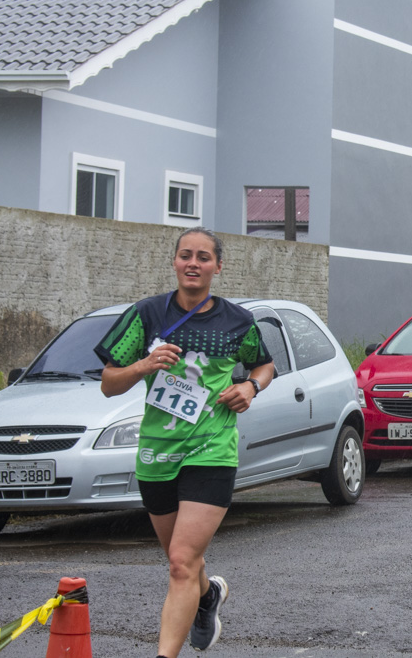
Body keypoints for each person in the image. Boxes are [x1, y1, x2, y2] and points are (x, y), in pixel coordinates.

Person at [94, 227, 274, 658]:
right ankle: (207, 594)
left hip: (212, 449)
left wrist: (249, 387)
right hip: (157, 452)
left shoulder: (237, 321)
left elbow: (264, 365)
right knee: (185, 563)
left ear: (217, 265)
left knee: (179, 563)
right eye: (185, 255)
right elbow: (108, 385)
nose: (193, 263)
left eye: (204, 257)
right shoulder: (146, 315)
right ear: (175, 261)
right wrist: (143, 364)